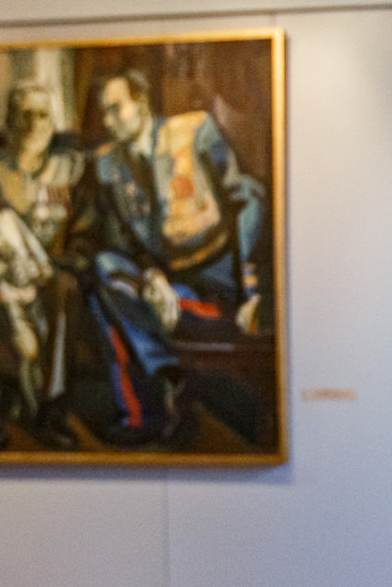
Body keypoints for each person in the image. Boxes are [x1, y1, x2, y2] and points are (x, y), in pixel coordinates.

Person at [86, 69, 264, 444]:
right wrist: (153, 278)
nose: (107, 122)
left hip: (215, 289)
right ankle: (167, 375)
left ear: (141, 103)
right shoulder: (107, 166)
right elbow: (122, 243)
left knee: (108, 302)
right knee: (103, 267)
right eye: (103, 112)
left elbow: (246, 197)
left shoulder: (194, 132)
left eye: (116, 109)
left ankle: (149, 405)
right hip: (162, 289)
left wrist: (250, 289)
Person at [0, 80, 97, 450]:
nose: (34, 124)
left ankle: (53, 409)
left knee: (67, 289)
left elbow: (86, 238)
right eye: (25, 115)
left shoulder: (72, 171)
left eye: (43, 116)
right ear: (9, 123)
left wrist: (53, 267)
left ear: (53, 124)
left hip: (50, 276)